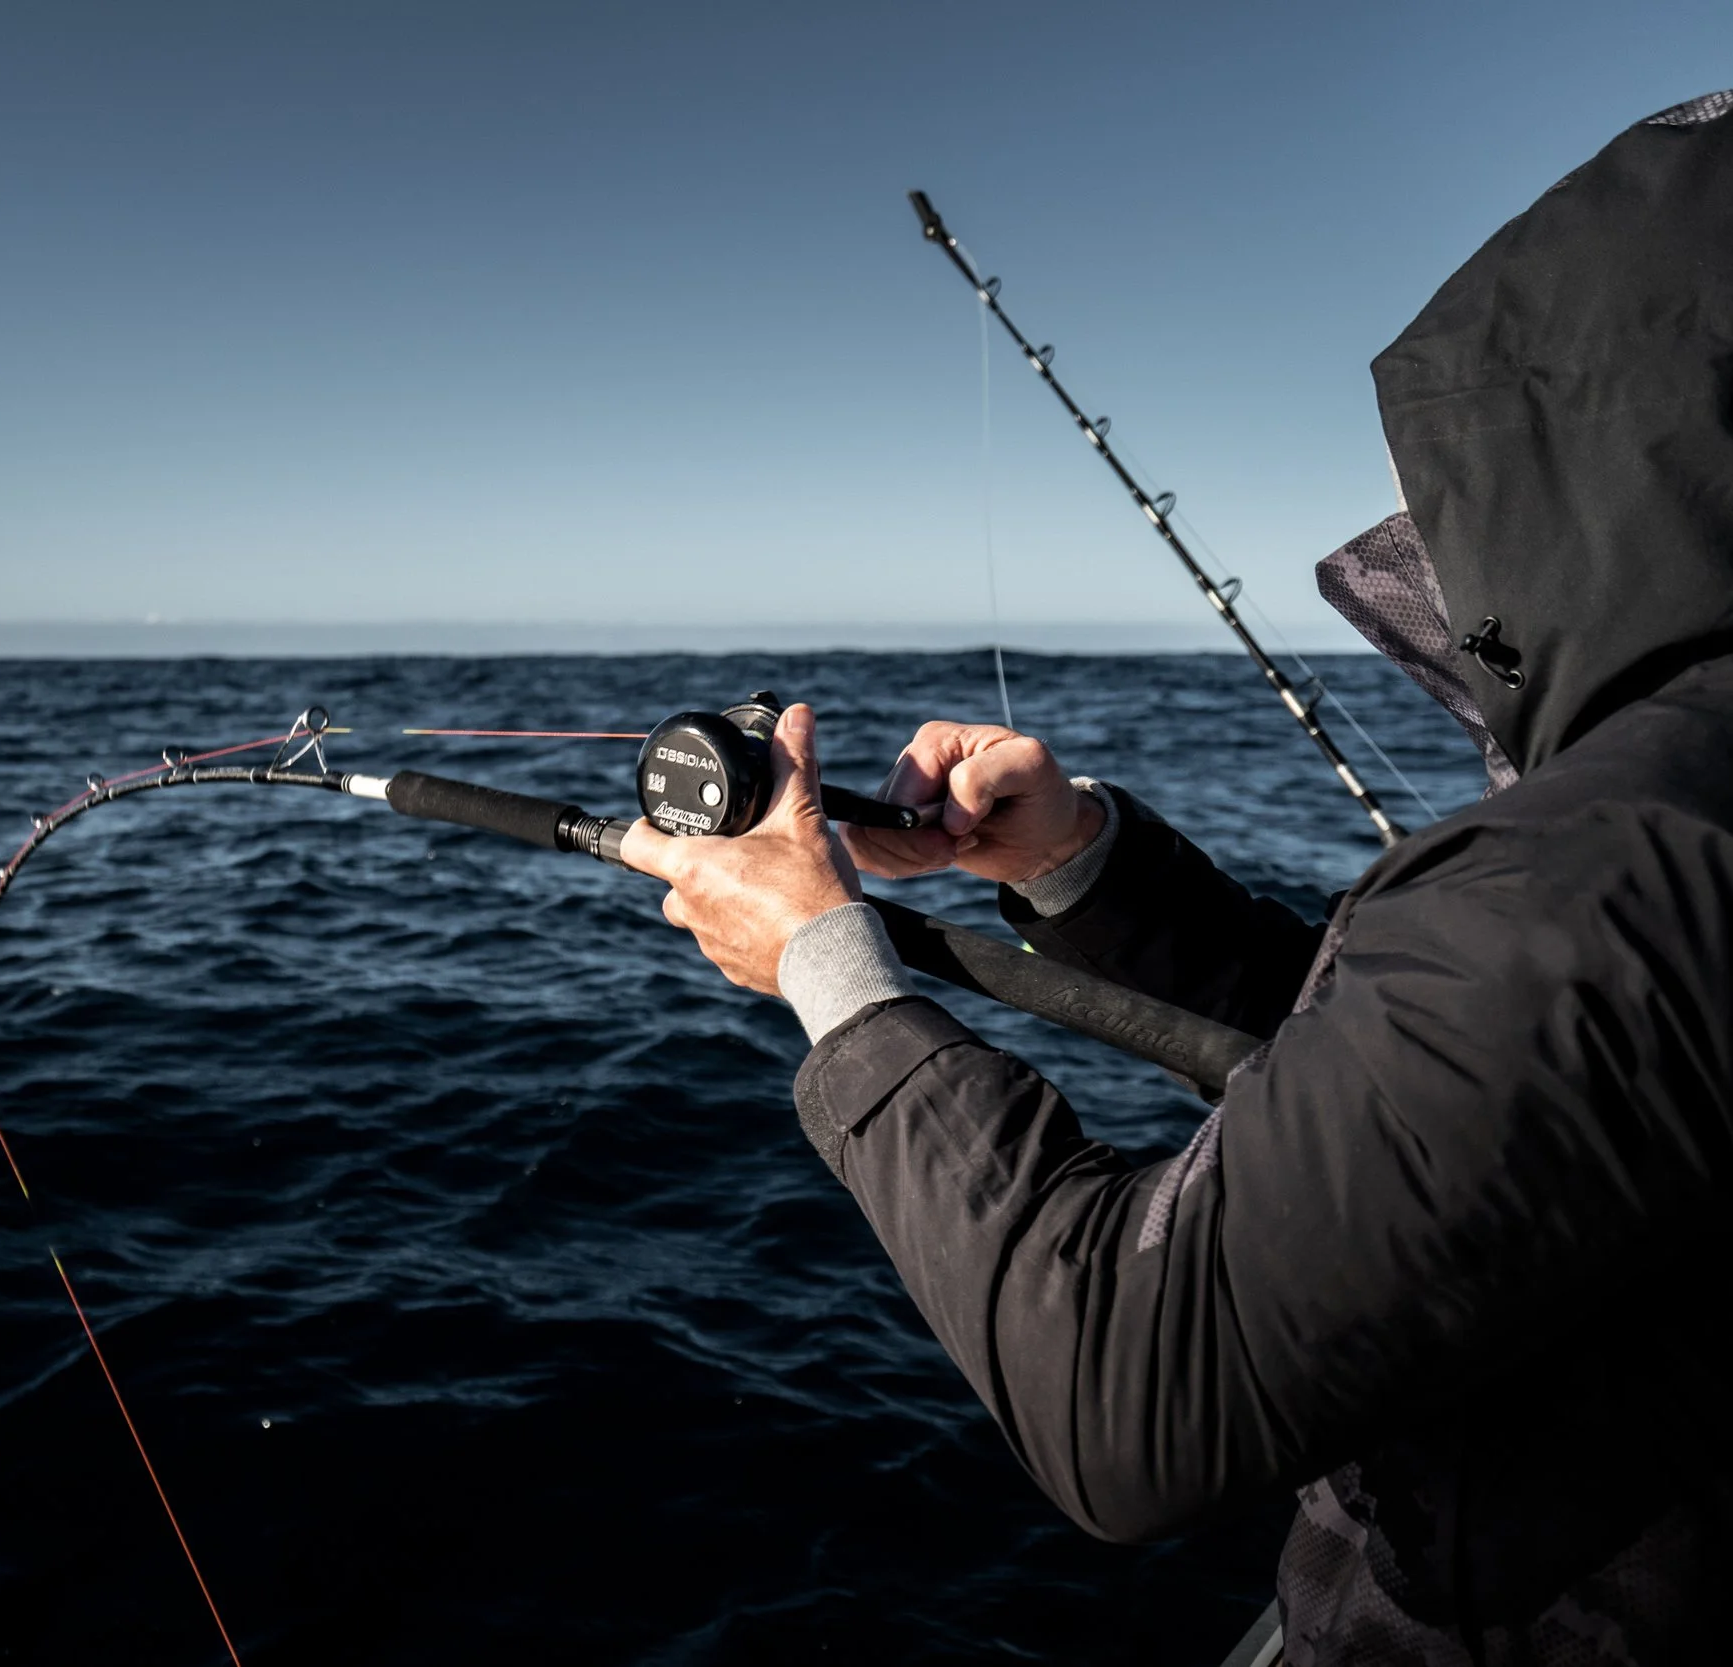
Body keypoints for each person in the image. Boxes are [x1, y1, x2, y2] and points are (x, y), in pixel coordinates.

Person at [623, 92, 1733, 1665]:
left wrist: (824, 962)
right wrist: (1080, 864)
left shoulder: (1624, 864)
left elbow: (1131, 1393)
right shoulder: (1657, 842)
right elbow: (1434, 1093)